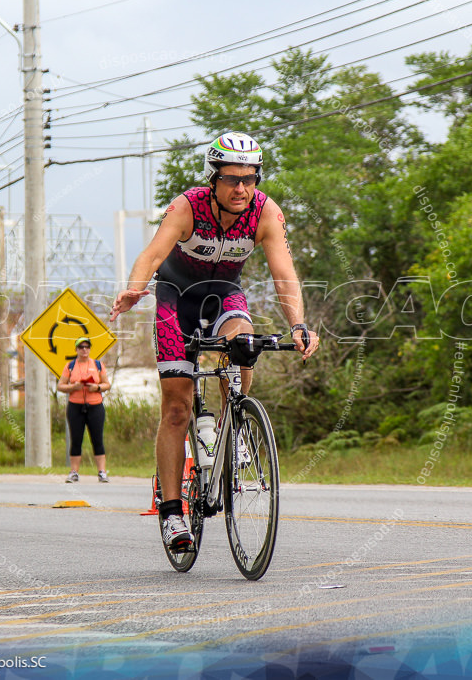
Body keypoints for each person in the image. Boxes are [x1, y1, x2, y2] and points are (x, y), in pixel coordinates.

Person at [109, 132, 319, 552]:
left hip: (224, 293)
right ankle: (171, 513)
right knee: (176, 407)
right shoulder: (188, 206)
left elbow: (283, 273)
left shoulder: (264, 212)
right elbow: (152, 255)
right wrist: (134, 289)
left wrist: (298, 324)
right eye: (231, 179)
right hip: (176, 299)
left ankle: (234, 422)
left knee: (243, 342)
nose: (241, 188)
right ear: (214, 179)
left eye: (250, 178)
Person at [56, 338, 112, 483]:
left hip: (95, 405)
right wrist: (73, 387)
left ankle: (102, 472)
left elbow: (107, 384)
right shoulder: (70, 366)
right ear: (76, 349)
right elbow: (60, 386)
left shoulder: (98, 365)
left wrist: (97, 387)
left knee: (97, 439)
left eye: (87, 347)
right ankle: (74, 472)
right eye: (81, 347)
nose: (84, 350)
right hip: (76, 405)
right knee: (76, 439)